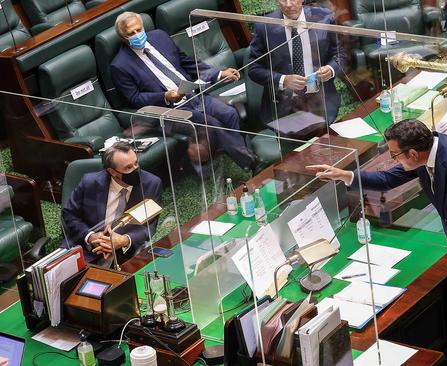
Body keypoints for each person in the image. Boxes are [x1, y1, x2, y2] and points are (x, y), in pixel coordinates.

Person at [308, 119, 447, 366]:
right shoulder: (426, 154)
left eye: (395, 155)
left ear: (413, 153)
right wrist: (346, 175)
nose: (394, 160)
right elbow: (387, 180)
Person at [110, 12, 260, 173]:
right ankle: (251, 163)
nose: (137, 35)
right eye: (131, 34)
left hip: (193, 95)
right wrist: (165, 97)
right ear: (123, 38)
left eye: (138, 30)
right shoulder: (120, 65)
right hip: (170, 110)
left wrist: (218, 73)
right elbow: (134, 98)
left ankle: (239, 155)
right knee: (211, 124)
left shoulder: (160, 37)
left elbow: (186, 62)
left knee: (229, 114)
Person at [62, 142, 162, 266]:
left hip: (125, 254)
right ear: (112, 171)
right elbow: (70, 214)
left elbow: (149, 226)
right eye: (128, 168)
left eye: (136, 163)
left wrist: (124, 240)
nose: (135, 170)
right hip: (85, 248)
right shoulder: (89, 183)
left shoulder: (151, 184)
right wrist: (91, 237)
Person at [248, 0, 344, 126]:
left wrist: (331, 69)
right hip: (284, 108)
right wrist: (283, 80)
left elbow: (341, 54)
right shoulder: (265, 26)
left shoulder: (323, 18)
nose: (288, 4)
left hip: (321, 101)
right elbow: (253, 68)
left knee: (325, 141)